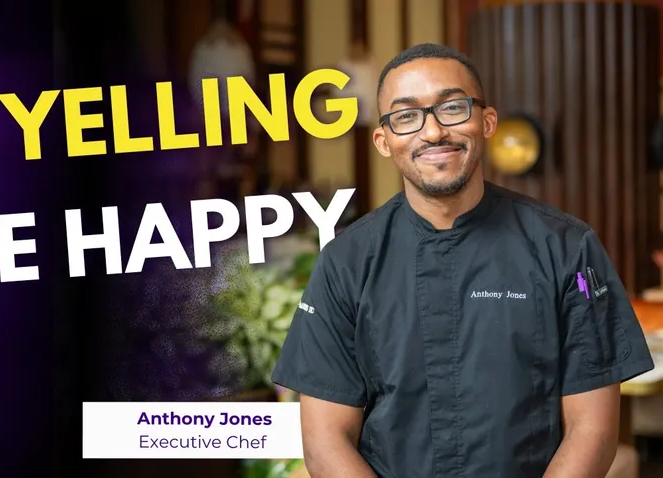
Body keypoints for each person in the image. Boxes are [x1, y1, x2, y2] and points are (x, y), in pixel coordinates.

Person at [270, 43, 656, 478]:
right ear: (384, 140)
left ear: (486, 121)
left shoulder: (567, 248)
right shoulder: (345, 262)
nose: (433, 132)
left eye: (452, 107)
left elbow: (593, 431)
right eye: (406, 116)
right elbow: (326, 442)